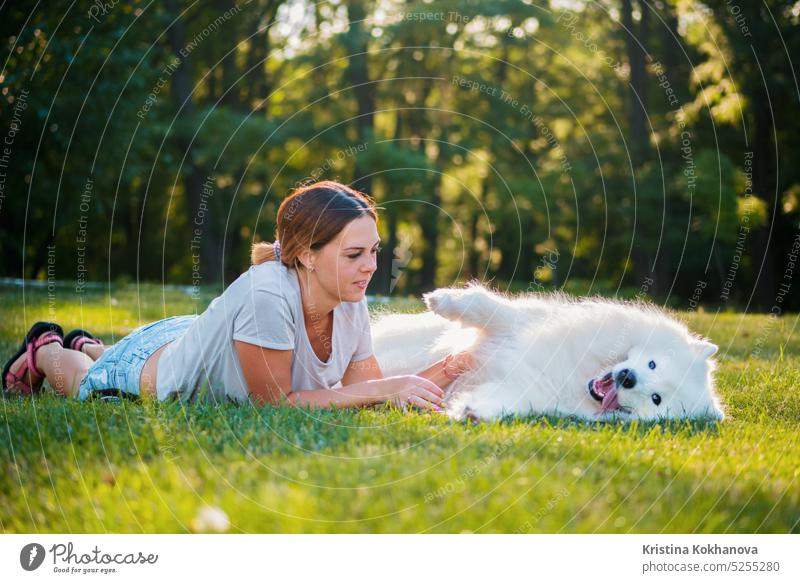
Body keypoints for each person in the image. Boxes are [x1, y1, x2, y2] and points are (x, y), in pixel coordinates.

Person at [2, 181, 473, 412]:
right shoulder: (267, 295)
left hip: (190, 336)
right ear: (307, 255)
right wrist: (384, 388)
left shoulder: (350, 298)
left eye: (373, 251)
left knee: (121, 351)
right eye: (354, 254)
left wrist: (445, 370)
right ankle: (50, 350)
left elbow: (361, 389)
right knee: (86, 382)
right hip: (153, 370)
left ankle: (92, 343)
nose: (370, 266)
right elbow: (276, 404)